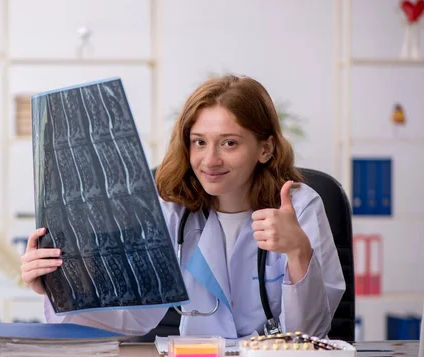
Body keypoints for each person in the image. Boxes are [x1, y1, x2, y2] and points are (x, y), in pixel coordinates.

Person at [20, 74, 345, 339]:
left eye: (229, 143)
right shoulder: (173, 209)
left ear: (265, 148)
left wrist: (298, 251)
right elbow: (132, 317)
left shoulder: (300, 207)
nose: (211, 160)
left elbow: (311, 335)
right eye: (199, 141)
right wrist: (58, 287)